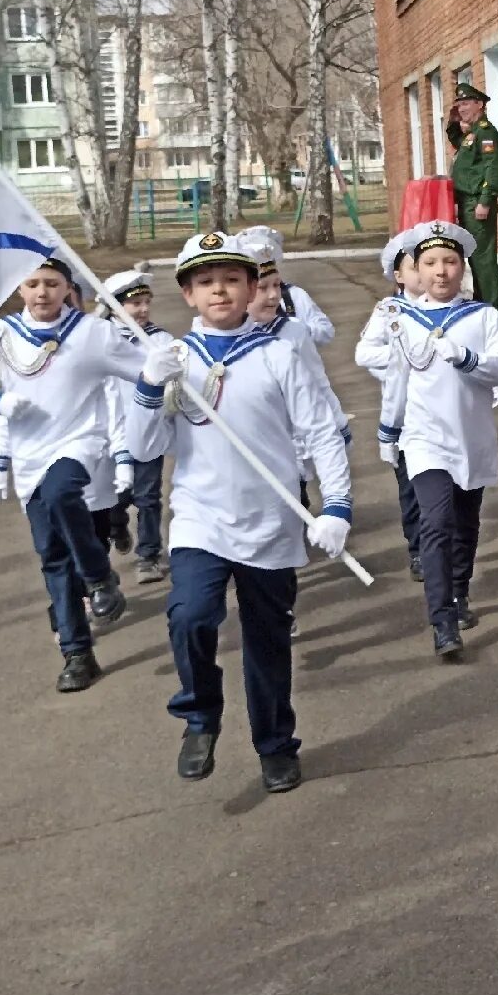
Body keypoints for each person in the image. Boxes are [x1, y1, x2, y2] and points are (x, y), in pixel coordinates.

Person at [123, 231, 354, 787]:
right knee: (191, 615)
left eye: (231, 280)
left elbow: (321, 432)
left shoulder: (279, 353)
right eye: (205, 282)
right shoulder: (172, 359)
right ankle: (199, 714)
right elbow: (143, 449)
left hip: (273, 520)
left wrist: (338, 507)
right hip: (202, 516)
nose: (219, 291)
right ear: (187, 295)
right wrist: (150, 390)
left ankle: (275, 743)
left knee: (267, 639)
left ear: (253, 287)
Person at [0, 257, 142, 692]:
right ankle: (77, 655)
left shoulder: (92, 332)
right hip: (28, 454)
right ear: (20, 289)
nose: (42, 292)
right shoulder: (0, 335)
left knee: (61, 494)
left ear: (66, 288)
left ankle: (97, 576)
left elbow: (140, 367)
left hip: (79, 441)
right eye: (33, 283)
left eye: (52, 284)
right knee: (52, 556)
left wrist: (167, 368)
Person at [356, 222, 498, 659]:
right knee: (435, 523)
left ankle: (460, 594)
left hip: (472, 436)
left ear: (462, 266)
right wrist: (389, 433)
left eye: (450, 261)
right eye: (429, 263)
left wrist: (467, 359)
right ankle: (442, 621)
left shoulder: (483, 316)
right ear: (416, 269)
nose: (441, 271)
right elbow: (392, 378)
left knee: (466, 524)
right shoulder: (401, 319)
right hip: (424, 439)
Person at [104, 270, 174, 584]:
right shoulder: (97, 338)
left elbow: (176, 375)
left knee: (148, 497)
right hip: (107, 436)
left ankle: (148, 556)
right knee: (114, 497)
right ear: (115, 306)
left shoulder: (159, 340)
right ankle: (116, 525)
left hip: (147, 432)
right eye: (135, 303)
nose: (143, 309)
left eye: (146, 302)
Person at [371, 227, 429, 582]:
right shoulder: (389, 310)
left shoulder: (453, 308)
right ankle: (419, 550)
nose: (423, 274)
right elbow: (365, 352)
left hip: (441, 418)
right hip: (404, 417)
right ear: (399, 276)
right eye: (414, 267)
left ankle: (445, 549)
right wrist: (400, 358)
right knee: (411, 488)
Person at [446, 81, 498, 307]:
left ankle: (493, 305)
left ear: (479, 104)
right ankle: (482, 300)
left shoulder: (486, 131)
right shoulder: (472, 133)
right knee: (474, 254)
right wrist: (454, 122)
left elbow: (493, 167)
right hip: (466, 201)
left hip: (476, 201)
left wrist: (486, 199)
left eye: (466, 104)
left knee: (482, 256)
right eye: (458, 104)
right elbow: (456, 141)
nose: (461, 108)